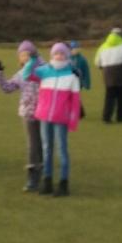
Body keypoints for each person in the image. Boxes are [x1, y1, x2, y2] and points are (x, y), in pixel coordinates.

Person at [22, 42, 81, 197]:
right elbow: (26, 75)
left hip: (61, 118)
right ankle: (47, 181)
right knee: (47, 149)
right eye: (56, 53)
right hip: (44, 116)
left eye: (62, 53)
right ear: (52, 55)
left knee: (62, 150)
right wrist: (32, 60)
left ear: (66, 56)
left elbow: (75, 102)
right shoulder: (44, 71)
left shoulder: (72, 76)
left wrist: (73, 121)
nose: (59, 56)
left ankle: (63, 183)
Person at [0, 40, 45, 192]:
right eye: (22, 55)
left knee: (43, 144)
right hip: (28, 114)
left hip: (44, 112)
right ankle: (33, 177)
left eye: (28, 54)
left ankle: (43, 174)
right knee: (34, 144)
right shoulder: (21, 74)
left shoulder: (43, 70)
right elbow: (7, 88)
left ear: (34, 55)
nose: (25, 57)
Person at [94, 28, 122, 123]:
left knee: (109, 95)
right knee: (121, 96)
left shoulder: (103, 46)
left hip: (107, 73)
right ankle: (120, 117)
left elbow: (97, 61)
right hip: (120, 72)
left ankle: (106, 117)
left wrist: (101, 67)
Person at [69, 40, 91, 120]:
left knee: (75, 96)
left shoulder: (82, 59)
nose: (75, 50)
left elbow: (86, 71)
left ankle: (80, 113)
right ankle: (77, 112)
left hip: (78, 82)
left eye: (77, 48)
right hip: (68, 81)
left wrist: (86, 82)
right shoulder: (67, 58)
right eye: (73, 48)